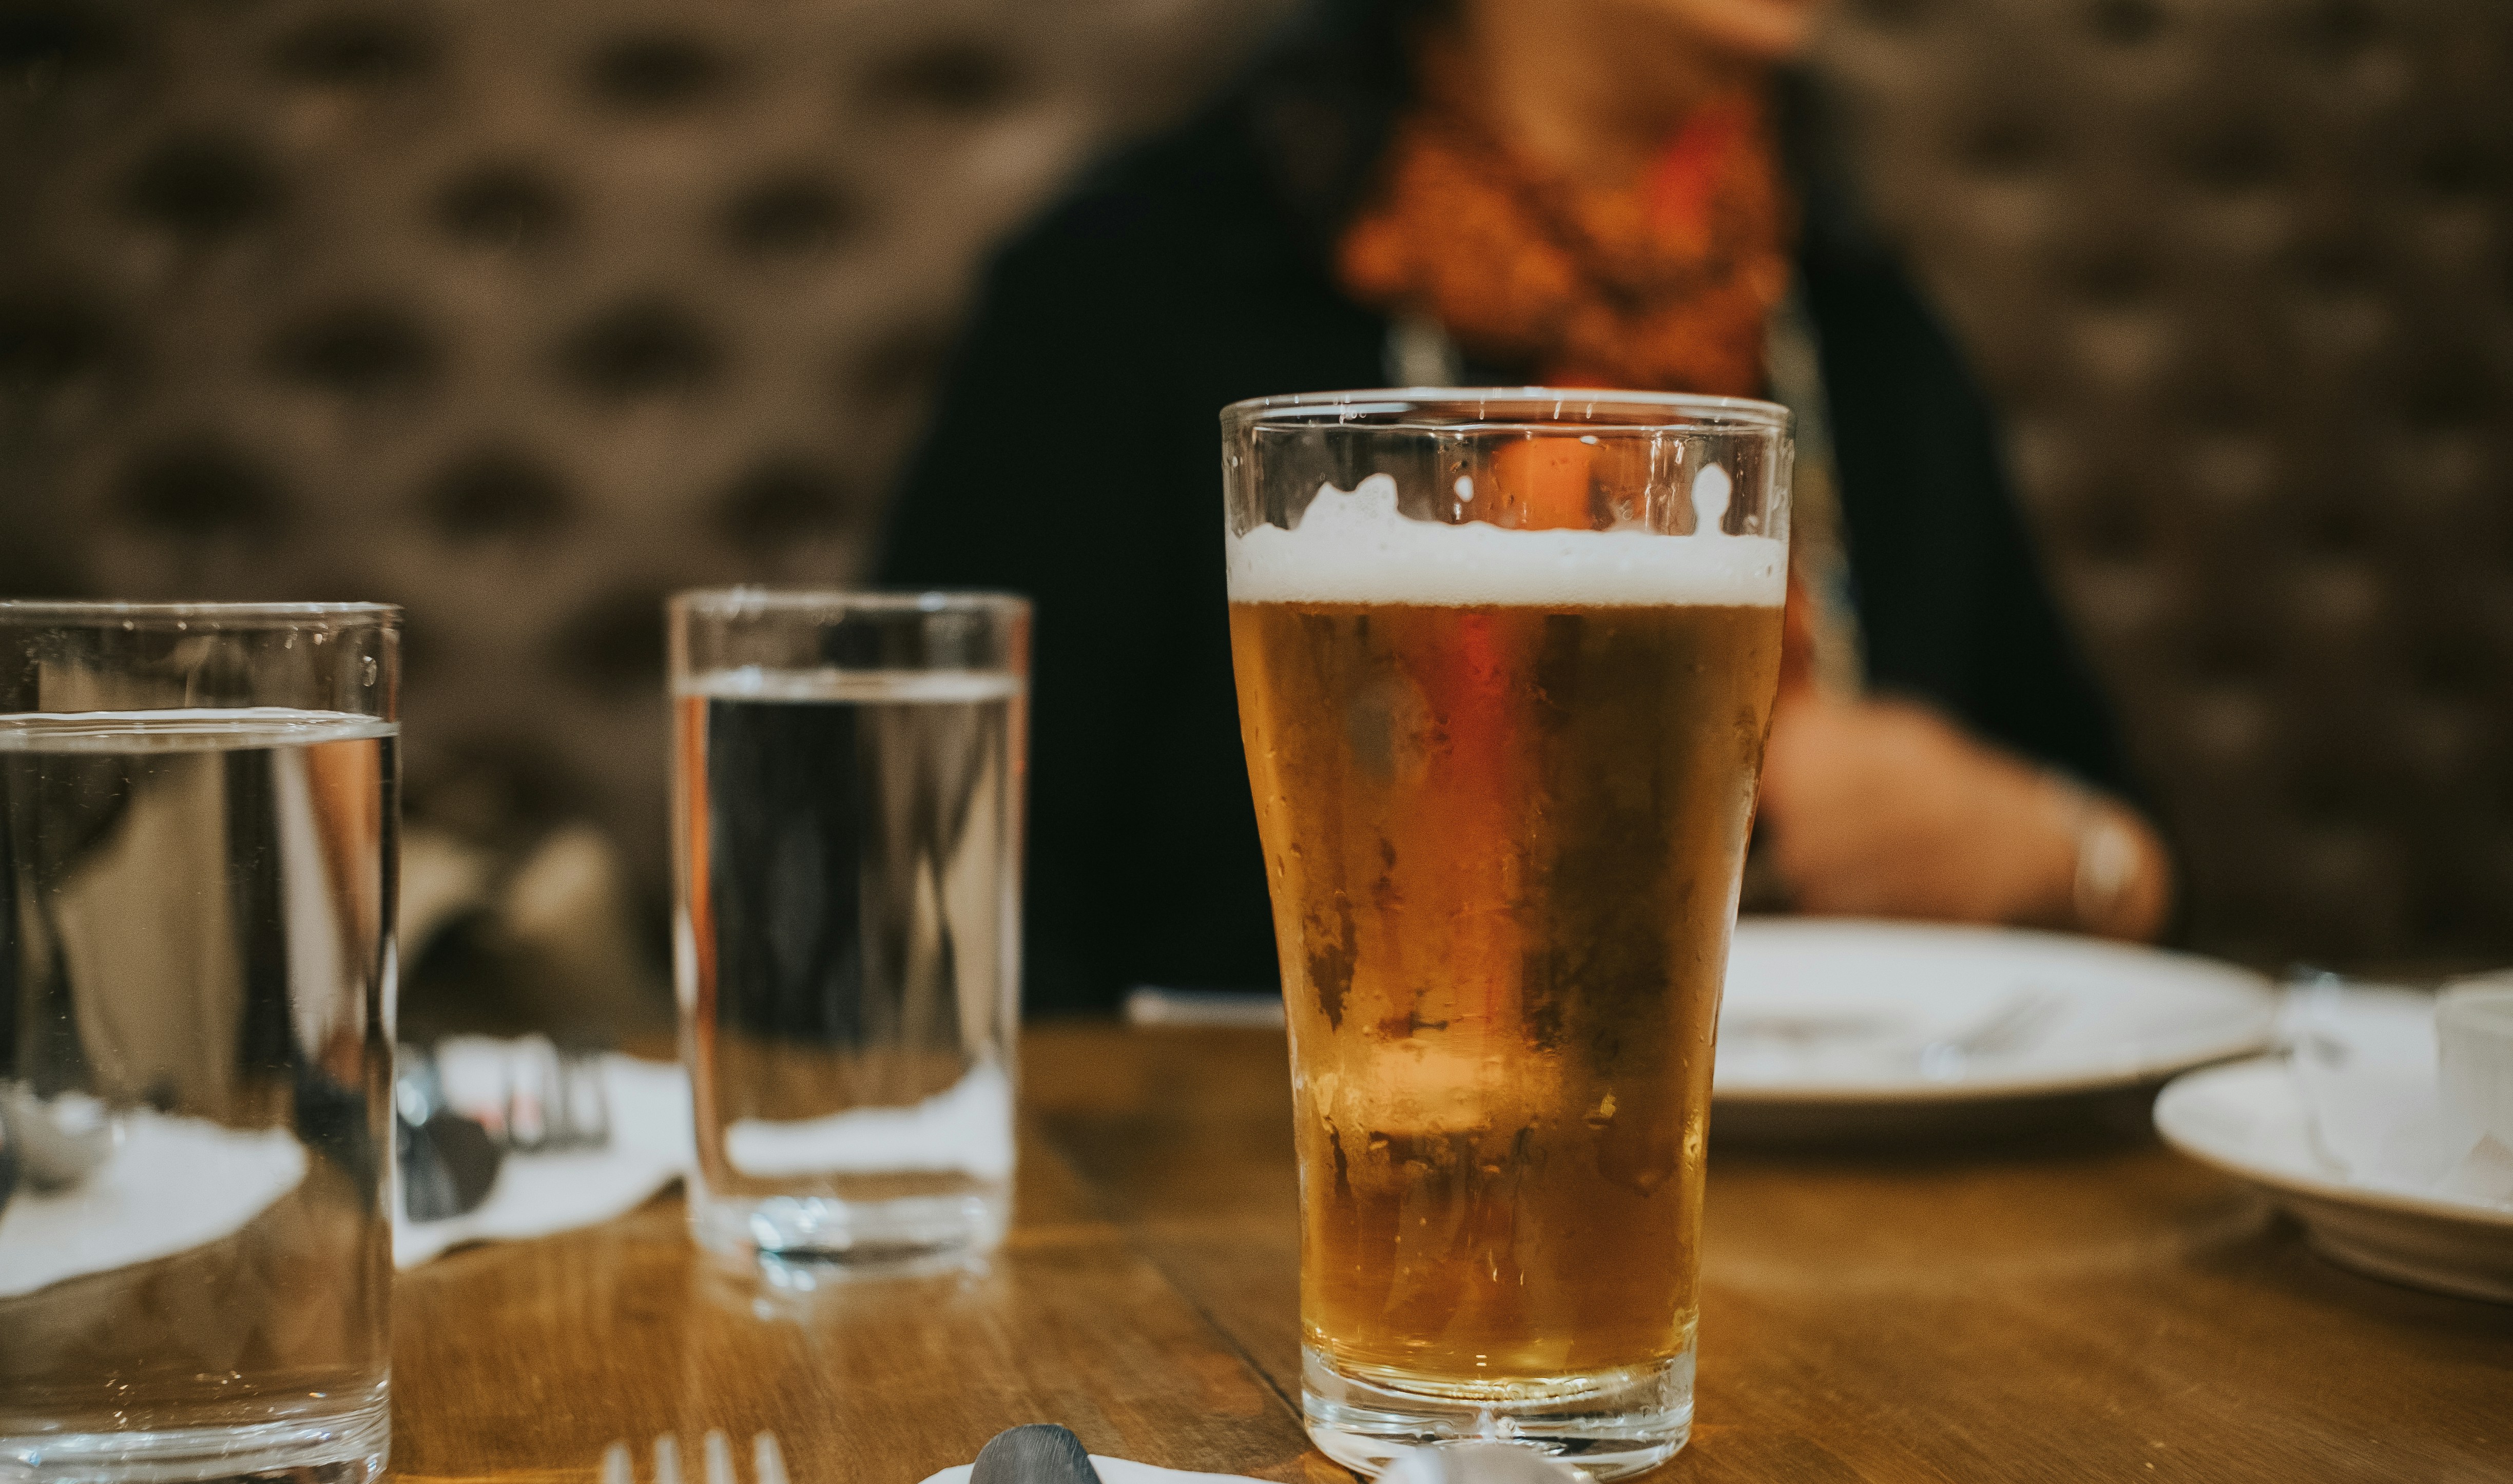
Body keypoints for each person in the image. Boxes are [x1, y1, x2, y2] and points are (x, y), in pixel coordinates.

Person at [880, 0, 2174, 1013]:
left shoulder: (1859, 322)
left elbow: (2152, 862)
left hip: (1831, 1237)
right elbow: (916, 884)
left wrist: (2056, 858)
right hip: (1296, 1229)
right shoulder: (1140, 295)